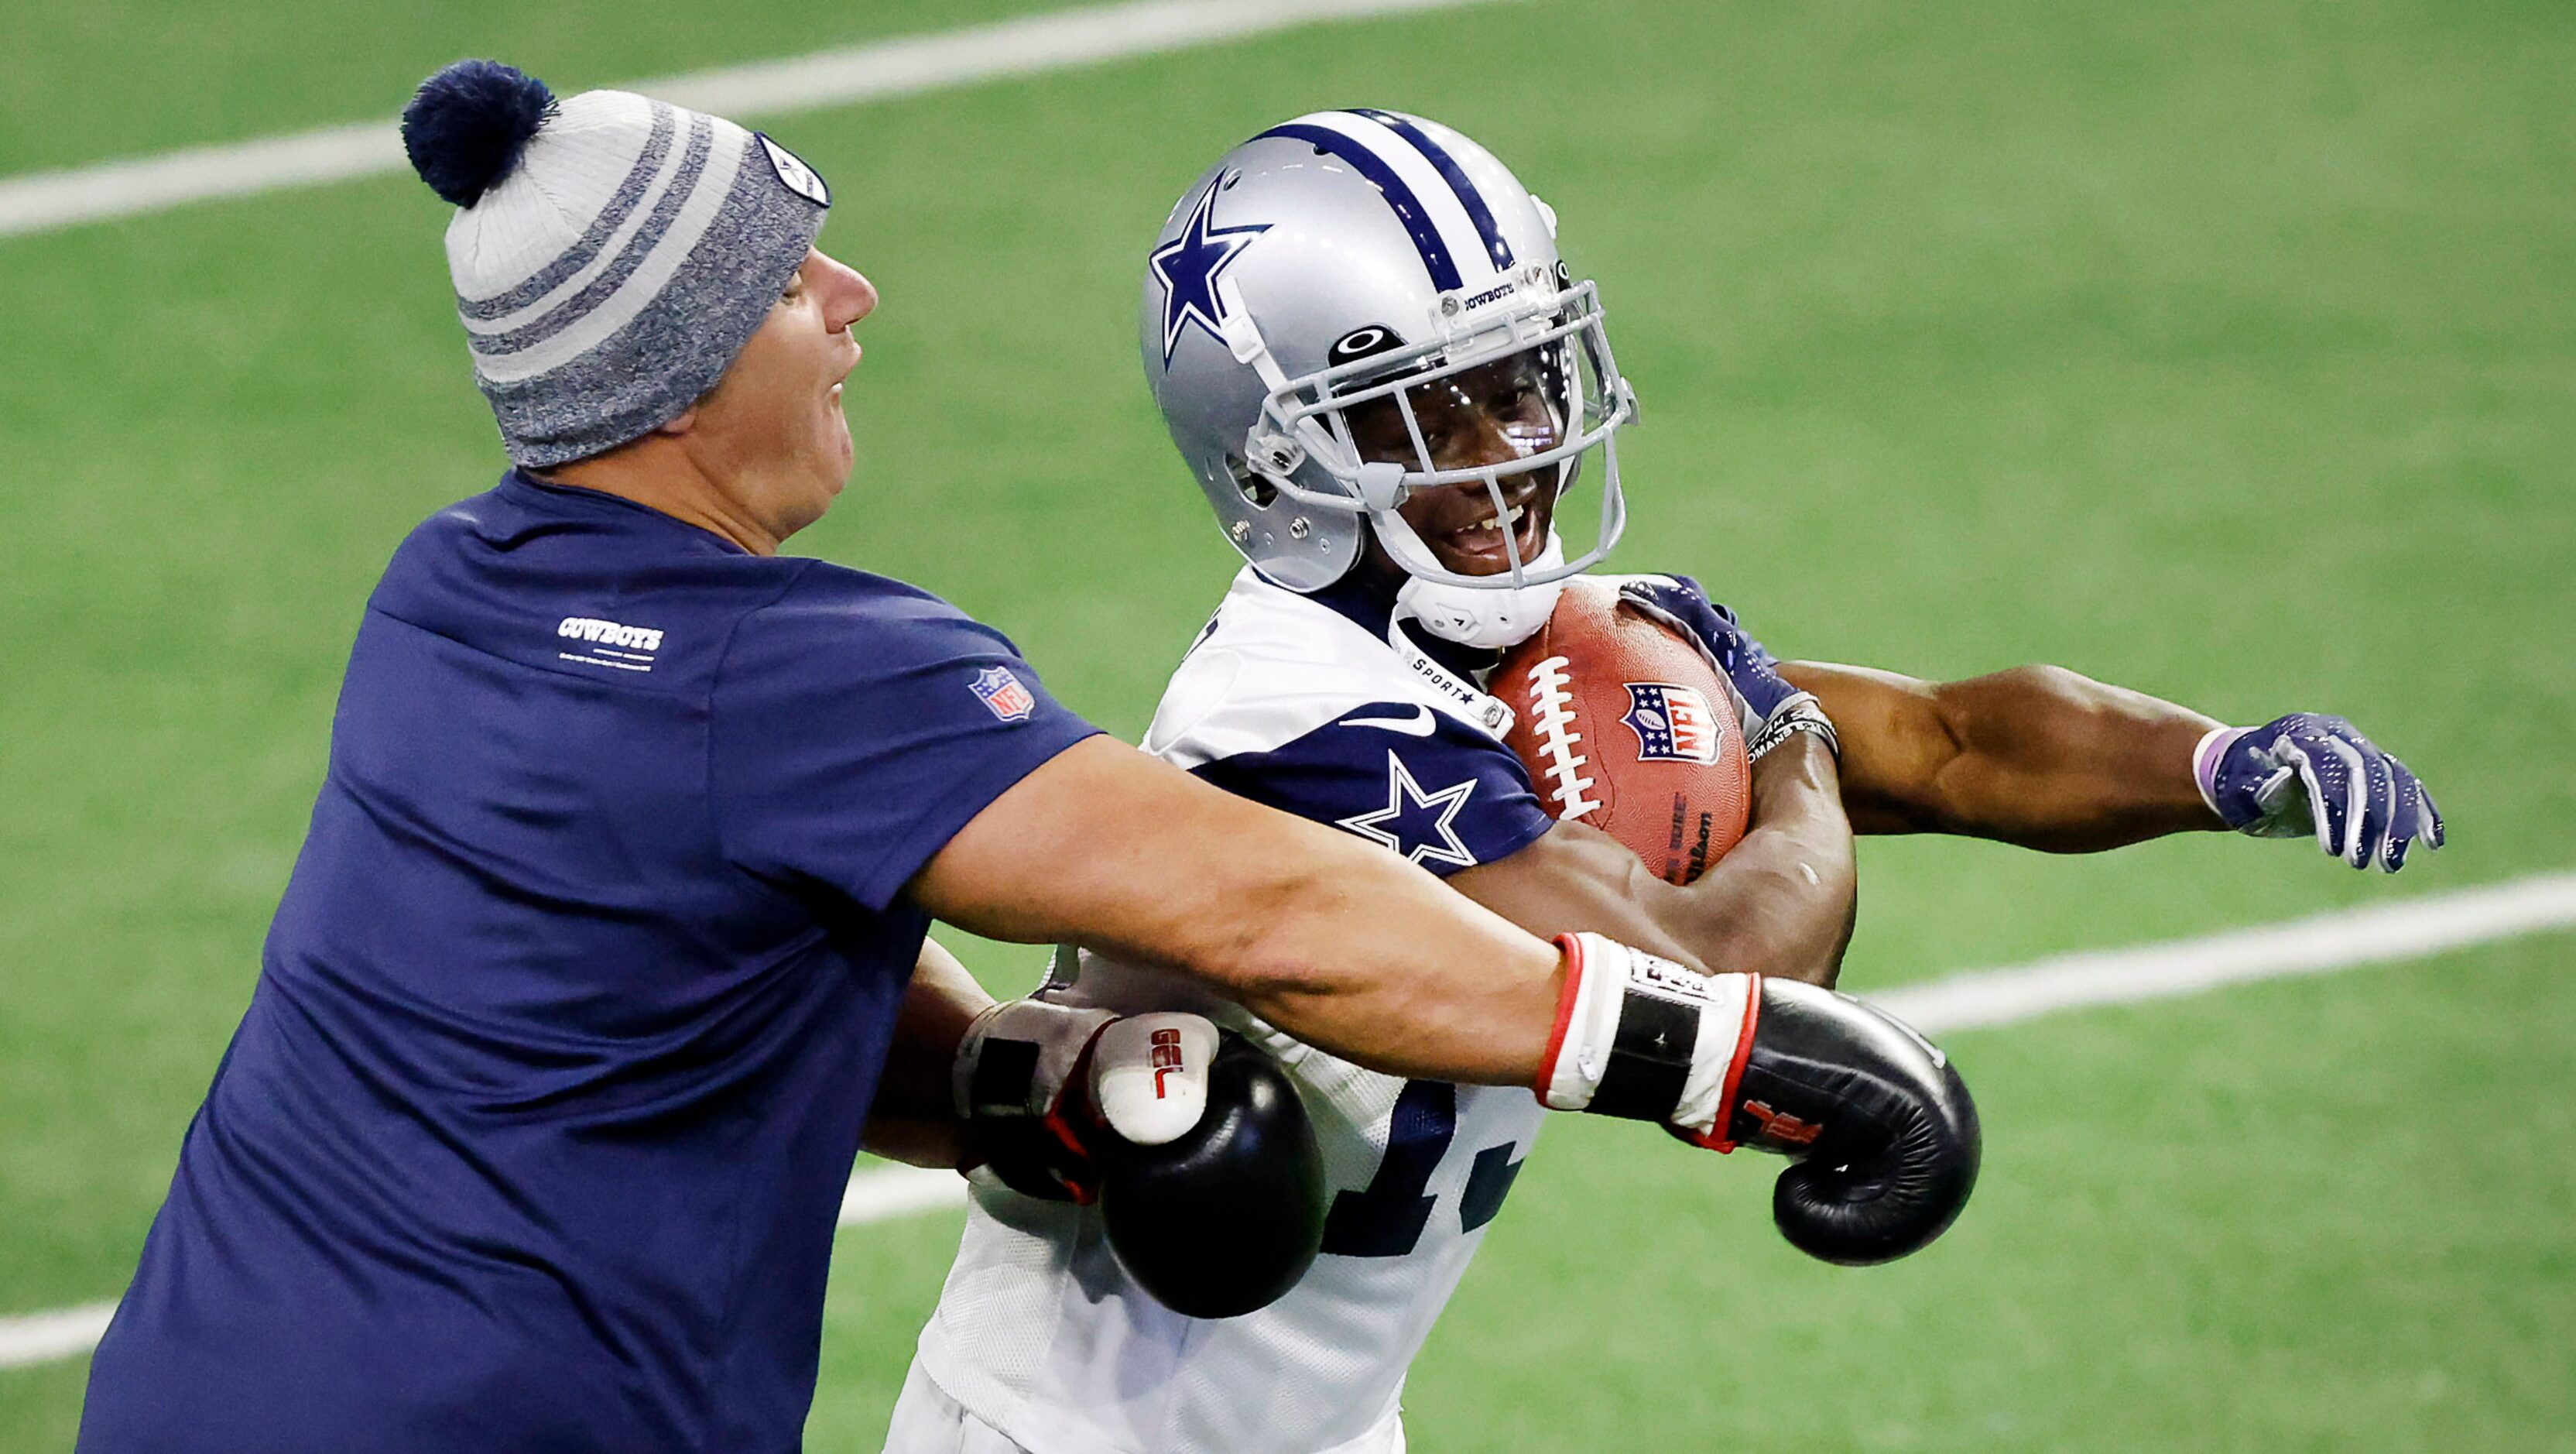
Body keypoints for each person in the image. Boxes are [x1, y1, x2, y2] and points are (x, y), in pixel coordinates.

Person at [73, 68, 1966, 1454]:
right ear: (680, 370)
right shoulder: (810, 682)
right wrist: (1728, 1052)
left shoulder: (442, 601)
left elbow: (692, 961)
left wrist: (1019, 1085)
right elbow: (1281, 911)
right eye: (791, 279)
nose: (851, 303)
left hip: (187, 1392)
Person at [889, 109, 2444, 1453]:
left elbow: (1952, 742)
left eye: (1518, 380)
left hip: (1320, 1418)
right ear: (1278, 454)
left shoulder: (1493, 636)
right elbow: (1723, 974)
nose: (1511, 445)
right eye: (1434, 412)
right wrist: (1787, 740)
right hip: (1067, 1428)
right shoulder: (1287, 721)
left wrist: (2210, 762)